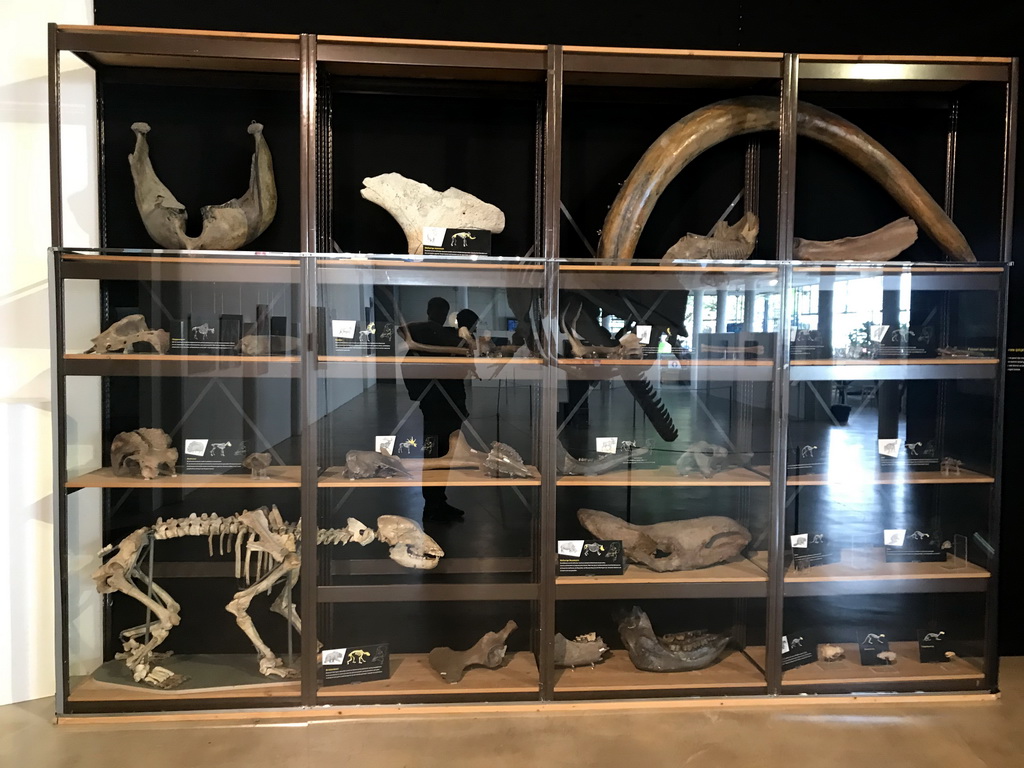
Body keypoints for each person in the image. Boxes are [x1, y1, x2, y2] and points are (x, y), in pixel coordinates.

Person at [401, 297, 469, 521]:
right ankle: (432, 503)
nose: (439, 314)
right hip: (436, 407)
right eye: (437, 309)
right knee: (434, 454)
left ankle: (437, 501)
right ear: (430, 311)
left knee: (441, 455)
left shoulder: (448, 338)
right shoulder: (433, 337)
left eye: (443, 310)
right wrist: (423, 396)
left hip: (444, 406)